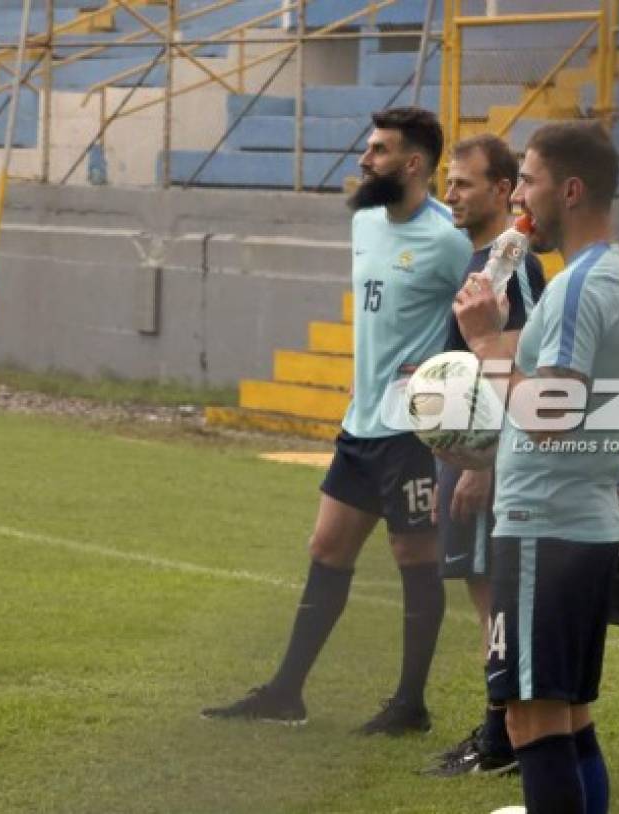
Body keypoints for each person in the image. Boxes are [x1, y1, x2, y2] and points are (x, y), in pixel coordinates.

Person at [201, 107, 473, 735]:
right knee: (327, 547)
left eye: (378, 150)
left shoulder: (448, 240)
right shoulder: (366, 222)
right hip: (361, 422)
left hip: (412, 429)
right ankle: (285, 693)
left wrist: (442, 371)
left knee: (413, 555)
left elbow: (483, 320)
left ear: (413, 164)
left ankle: (410, 705)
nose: (363, 159)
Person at [453, 121, 619, 814]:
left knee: (531, 723)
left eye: (529, 182)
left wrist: (484, 342)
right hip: (585, 522)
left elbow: (551, 411)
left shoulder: (577, 287)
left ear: (570, 191)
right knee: (568, 719)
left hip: (544, 525)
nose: (519, 199)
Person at [425, 133, 547, 777]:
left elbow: (518, 360)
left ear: (503, 189)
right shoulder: (483, 259)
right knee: (485, 600)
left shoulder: (511, 263)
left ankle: (502, 741)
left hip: (485, 459)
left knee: (494, 606)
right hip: (464, 454)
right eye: (448, 182)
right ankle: (503, 732)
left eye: (464, 183)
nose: (450, 193)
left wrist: (484, 463)